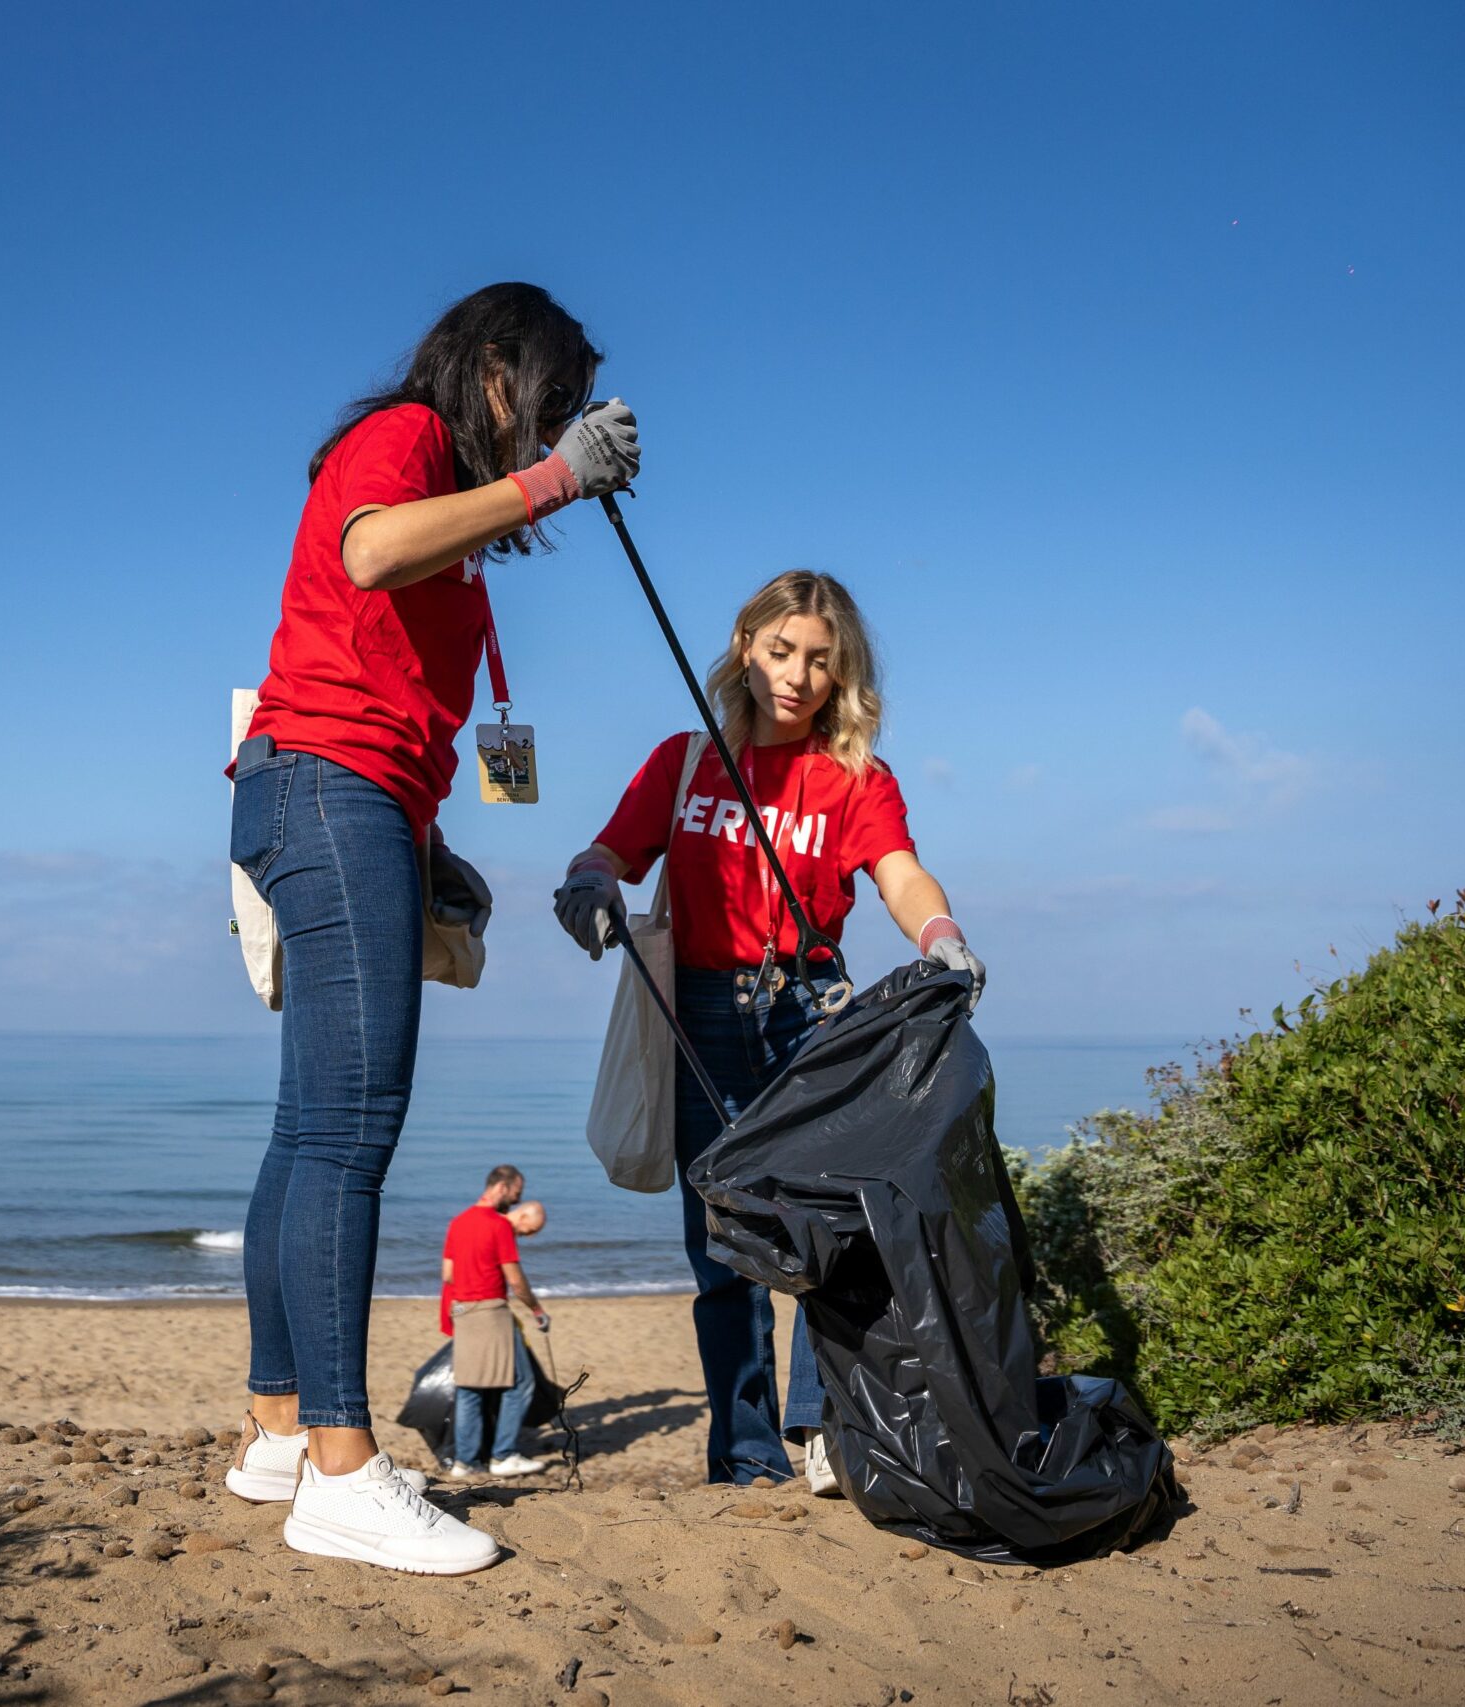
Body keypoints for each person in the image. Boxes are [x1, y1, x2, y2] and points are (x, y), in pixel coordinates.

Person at [222, 284, 639, 1574]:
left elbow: (380, 664)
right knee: (351, 1131)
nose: (548, 432)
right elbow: (365, 554)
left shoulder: (444, 500)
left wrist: (425, 840)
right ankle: (344, 1473)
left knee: (307, 1131)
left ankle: (283, 1432)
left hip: (339, 799)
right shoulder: (401, 433)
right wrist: (562, 482)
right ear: (497, 368)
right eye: (549, 403)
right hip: (323, 788)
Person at [550, 570, 986, 1490]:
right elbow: (611, 849)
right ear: (745, 644)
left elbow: (900, 871)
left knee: (833, 1234)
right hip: (700, 1015)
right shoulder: (684, 759)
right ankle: (745, 1458)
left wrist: (941, 934)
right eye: (781, 651)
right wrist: (590, 883)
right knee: (724, 1252)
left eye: (820, 662)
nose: (796, 676)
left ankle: (818, 1429)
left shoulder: (854, 777)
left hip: (812, 1009)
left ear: (843, 673)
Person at [437, 1166, 550, 1480]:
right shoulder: (498, 1225)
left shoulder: (458, 1222)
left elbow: (448, 1274)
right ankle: (502, 1455)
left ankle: (465, 1462)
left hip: (462, 1311)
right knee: (520, 1382)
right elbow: (516, 1281)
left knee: (470, 1389)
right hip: (490, 1310)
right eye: (516, 1193)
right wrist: (537, 1310)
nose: (516, 1200)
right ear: (502, 1187)